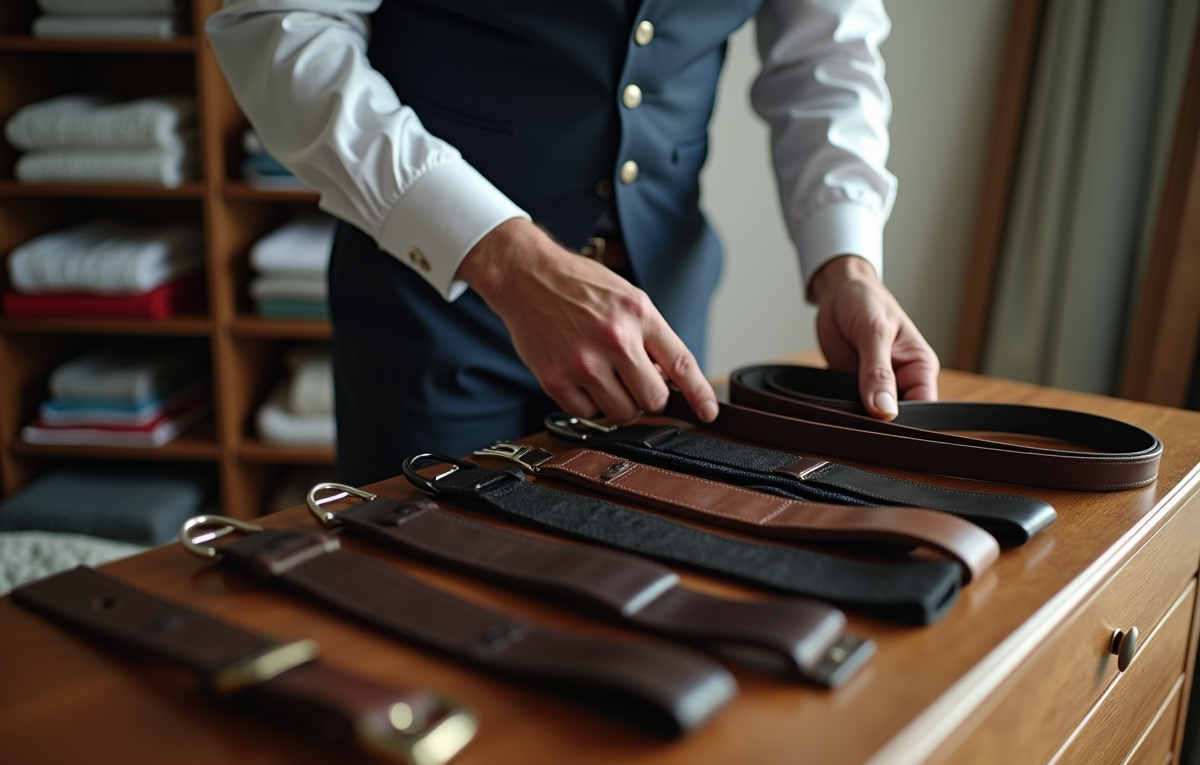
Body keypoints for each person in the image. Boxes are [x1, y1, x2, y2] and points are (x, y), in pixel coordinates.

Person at [207, 0, 939, 487]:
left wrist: (847, 266)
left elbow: (827, 59)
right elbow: (282, 28)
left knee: (651, 579)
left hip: (660, 315)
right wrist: (506, 259)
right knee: (429, 601)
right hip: (434, 312)